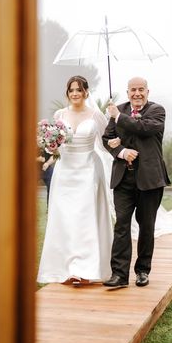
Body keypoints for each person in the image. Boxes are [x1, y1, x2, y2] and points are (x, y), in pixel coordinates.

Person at [37, 75, 114, 285]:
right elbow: (55, 145)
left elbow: (108, 141)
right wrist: (51, 147)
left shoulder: (96, 115)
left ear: (86, 92)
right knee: (64, 219)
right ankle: (66, 267)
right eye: (71, 90)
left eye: (78, 90)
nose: (74, 94)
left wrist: (115, 121)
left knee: (84, 219)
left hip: (88, 169)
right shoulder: (59, 114)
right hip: (65, 171)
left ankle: (84, 269)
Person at [102, 77, 170, 289]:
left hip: (150, 179)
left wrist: (118, 117)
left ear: (148, 91)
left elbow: (145, 128)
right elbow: (107, 138)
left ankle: (142, 271)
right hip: (123, 179)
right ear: (128, 91)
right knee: (121, 224)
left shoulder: (157, 111)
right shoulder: (117, 109)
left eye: (141, 89)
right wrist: (120, 150)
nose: (137, 93)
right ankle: (119, 275)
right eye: (133, 90)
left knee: (146, 225)